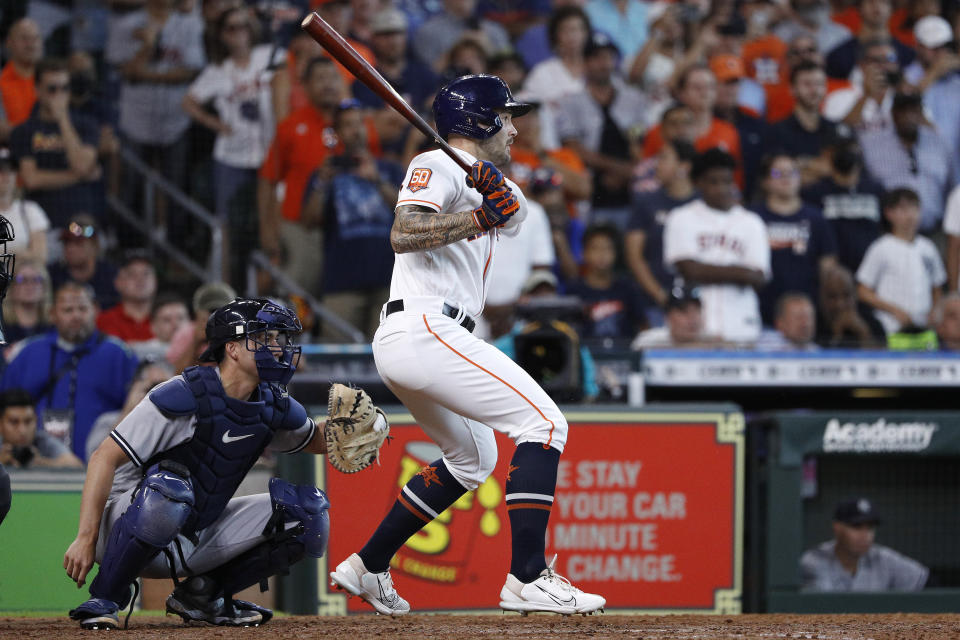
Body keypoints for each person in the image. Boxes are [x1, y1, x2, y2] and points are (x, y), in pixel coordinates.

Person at [328, 74, 606, 616]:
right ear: (479, 122)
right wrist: (480, 213)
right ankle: (528, 577)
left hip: (424, 335)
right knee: (545, 424)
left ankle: (369, 566)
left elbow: (516, 213)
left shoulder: (481, 176)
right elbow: (404, 233)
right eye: (506, 116)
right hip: (426, 326)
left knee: (472, 458)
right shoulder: (429, 165)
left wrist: (491, 195)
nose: (515, 127)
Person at [62, 298, 338, 629]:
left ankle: (205, 596)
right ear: (233, 348)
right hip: (125, 526)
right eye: (264, 338)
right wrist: (86, 536)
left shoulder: (273, 405)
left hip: (194, 532)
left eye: (277, 339)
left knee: (309, 513)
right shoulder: (182, 394)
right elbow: (103, 457)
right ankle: (106, 596)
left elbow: (315, 441)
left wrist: (354, 430)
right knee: (170, 490)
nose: (277, 348)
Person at [0, 281, 139, 461]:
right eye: (68, 310)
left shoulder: (120, 355)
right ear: (53, 314)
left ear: (95, 310)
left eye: (82, 309)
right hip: (36, 467)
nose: (76, 316)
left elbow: (135, 414)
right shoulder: (27, 353)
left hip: (101, 467)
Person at [300, 101, 402, 340]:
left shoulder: (389, 169)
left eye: (359, 124)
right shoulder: (325, 174)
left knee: (387, 359)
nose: (355, 130)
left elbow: (409, 212)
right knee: (337, 360)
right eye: (347, 125)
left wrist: (377, 180)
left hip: (389, 280)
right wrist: (322, 183)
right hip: (341, 282)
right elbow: (308, 221)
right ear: (337, 134)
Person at [182, 6, 283, 221]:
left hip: (270, 150)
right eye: (232, 28)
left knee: (269, 216)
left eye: (244, 26)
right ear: (222, 34)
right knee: (228, 219)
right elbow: (188, 102)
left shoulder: (268, 56)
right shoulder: (217, 70)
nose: (239, 33)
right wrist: (214, 123)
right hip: (232, 154)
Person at [663, 148, 771, 343]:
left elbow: (758, 277)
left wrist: (705, 268)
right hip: (694, 327)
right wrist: (740, 272)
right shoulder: (681, 218)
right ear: (699, 182)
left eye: (727, 181)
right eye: (713, 181)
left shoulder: (752, 222)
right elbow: (689, 270)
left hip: (741, 323)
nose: (721, 188)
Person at [556, 32, 648, 229]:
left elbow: (640, 141)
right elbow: (573, 147)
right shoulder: (570, 102)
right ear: (586, 62)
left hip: (631, 189)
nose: (604, 63)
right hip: (591, 192)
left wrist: (629, 172)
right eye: (596, 58)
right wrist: (619, 169)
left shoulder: (633, 99)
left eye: (608, 57)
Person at [9, 57, 102, 228]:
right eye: (52, 89)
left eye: (65, 88)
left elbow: (81, 164)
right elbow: (31, 179)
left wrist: (63, 120)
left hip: (81, 224)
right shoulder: (24, 131)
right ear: (37, 90)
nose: (59, 95)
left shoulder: (86, 124)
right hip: (42, 226)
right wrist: (78, 176)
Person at [752, 153, 837, 325]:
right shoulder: (752, 218)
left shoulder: (816, 218)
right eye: (778, 174)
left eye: (792, 172)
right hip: (760, 308)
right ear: (765, 181)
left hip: (806, 311)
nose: (786, 178)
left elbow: (828, 265)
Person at [860, 91, 954, 233]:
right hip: (890, 232)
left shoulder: (939, 143)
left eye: (914, 111)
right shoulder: (871, 144)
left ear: (921, 113)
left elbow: (951, 188)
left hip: (936, 229)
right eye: (903, 111)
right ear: (893, 114)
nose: (909, 117)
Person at [856, 188, 946, 335]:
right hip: (889, 326)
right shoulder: (881, 247)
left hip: (923, 328)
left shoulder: (928, 248)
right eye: (903, 209)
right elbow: (862, 291)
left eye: (914, 208)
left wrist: (935, 311)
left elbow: (937, 286)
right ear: (889, 213)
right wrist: (894, 310)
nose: (910, 215)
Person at [625, 139, 697, 316]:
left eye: (664, 158)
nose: (657, 164)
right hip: (655, 301)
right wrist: (661, 296)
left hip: (700, 303)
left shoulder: (702, 203)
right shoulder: (646, 203)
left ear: (684, 166)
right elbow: (634, 256)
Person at [800, 497, 928, 591]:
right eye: (856, 527)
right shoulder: (813, 561)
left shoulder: (882, 557)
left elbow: (925, 581)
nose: (865, 535)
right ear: (837, 528)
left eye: (870, 528)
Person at [801, 128, 884, 273]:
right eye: (840, 149)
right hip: (832, 275)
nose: (847, 154)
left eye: (850, 148)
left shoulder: (875, 190)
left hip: (871, 273)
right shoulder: (814, 192)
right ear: (828, 154)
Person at [567, 224, 647, 341]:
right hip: (585, 355)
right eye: (595, 248)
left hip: (624, 355)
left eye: (608, 248)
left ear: (616, 254)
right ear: (584, 253)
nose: (602, 254)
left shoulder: (628, 288)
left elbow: (643, 326)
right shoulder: (574, 291)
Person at [766, 62, 836, 185]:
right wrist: (820, 167)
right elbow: (776, 175)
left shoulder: (836, 130)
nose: (814, 90)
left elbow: (843, 173)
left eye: (819, 84)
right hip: (794, 201)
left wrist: (802, 164)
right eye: (807, 84)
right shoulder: (777, 131)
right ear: (792, 89)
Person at [825, 0, 914, 80]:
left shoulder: (908, 55)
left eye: (883, 2)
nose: (877, 5)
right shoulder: (838, 56)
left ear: (891, 8)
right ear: (859, 8)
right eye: (870, 1)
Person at [822, 40, 898, 132]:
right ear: (861, 64)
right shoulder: (839, 98)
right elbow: (837, 134)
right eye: (876, 60)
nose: (884, 65)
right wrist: (866, 95)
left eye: (890, 58)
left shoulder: (905, 94)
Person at [412, 0, 511, 72]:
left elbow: (510, 71)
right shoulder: (429, 31)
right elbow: (427, 75)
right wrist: (458, 47)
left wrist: (487, 46)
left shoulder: (495, 30)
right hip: (446, 89)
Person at [48, 214, 120, 310]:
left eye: (78, 243)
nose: (71, 248)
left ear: (95, 245)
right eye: (67, 242)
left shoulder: (111, 276)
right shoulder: (53, 275)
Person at [0, 388, 82, 468]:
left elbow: (76, 465)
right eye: (14, 422)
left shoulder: (42, 440)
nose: (22, 430)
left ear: (36, 421)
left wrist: (41, 462)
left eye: (28, 421)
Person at [168, 282, 236, 373]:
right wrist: (196, 341)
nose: (215, 315)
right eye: (211, 311)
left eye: (221, 310)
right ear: (198, 313)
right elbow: (177, 376)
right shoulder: (186, 333)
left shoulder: (240, 331)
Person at [816, 264, 885, 348]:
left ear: (855, 296)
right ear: (822, 297)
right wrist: (836, 337)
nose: (840, 304)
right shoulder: (812, 326)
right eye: (832, 296)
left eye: (846, 296)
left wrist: (863, 334)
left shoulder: (873, 323)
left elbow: (886, 358)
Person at [0, 145, 49, 263]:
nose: (6, 175)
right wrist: (23, 254)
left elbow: (41, 256)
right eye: (0, 170)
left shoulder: (31, 209)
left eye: (10, 169)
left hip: (22, 279)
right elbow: (34, 255)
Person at [96, 251, 158, 343]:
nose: (140, 279)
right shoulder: (103, 322)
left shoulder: (171, 319)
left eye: (146, 273)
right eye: (132, 274)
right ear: (118, 283)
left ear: (155, 281)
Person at [631, 285, 717, 349]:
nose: (693, 318)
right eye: (684, 311)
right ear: (667, 316)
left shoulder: (715, 344)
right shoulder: (647, 343)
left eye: (696, 310)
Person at [0, 18, 43, 132]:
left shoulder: (54, 82)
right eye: (24, 38)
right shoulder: (1, 81)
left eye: (35, 38)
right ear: (9, 42)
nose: (31, 44)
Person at [1, 258, 53, 346]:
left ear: (45, 287)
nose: (29, 285)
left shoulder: (53, 326)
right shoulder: (1, 327)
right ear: (11, 287)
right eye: (22, 280)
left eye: (36, 280)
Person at [130, 294, 190, 362]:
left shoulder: (202, 350)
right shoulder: (138, 353)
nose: (175, 324)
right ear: (153, 327)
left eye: (180, 318)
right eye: (167, 320)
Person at [755, 292, 819, 350]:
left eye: (809, 317)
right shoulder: (759, 344)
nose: (805, 323)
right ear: (780, 323)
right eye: (799, 317)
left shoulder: (817, 352)